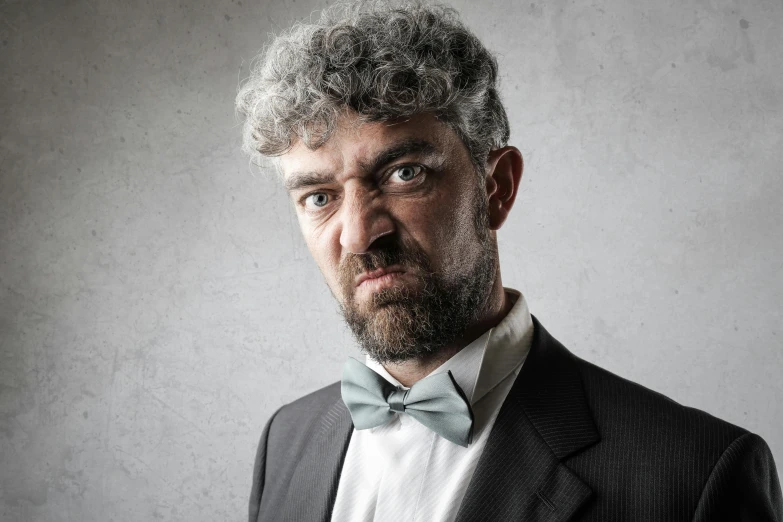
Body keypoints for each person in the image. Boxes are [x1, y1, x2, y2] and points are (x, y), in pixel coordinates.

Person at [235, 2, 783, 521]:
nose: (358, 235)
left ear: (496, 187)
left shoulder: (694, 476)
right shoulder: (285, 441)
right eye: (319, 196)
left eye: (404, 172)